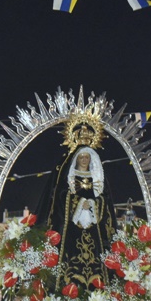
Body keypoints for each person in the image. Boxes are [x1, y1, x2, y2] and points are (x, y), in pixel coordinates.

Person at [35, 120, 118, 291]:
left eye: (87, 157)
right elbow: (59, 196)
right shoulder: (68, 175)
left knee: (97, 260)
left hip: (94, 230)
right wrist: (79, 204)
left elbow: (105, 201)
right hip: (71, 230)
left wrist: (93, 204)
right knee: (69, 260)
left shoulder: (97, 177)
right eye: (81, 157)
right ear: (76, 159)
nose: (84, 160)